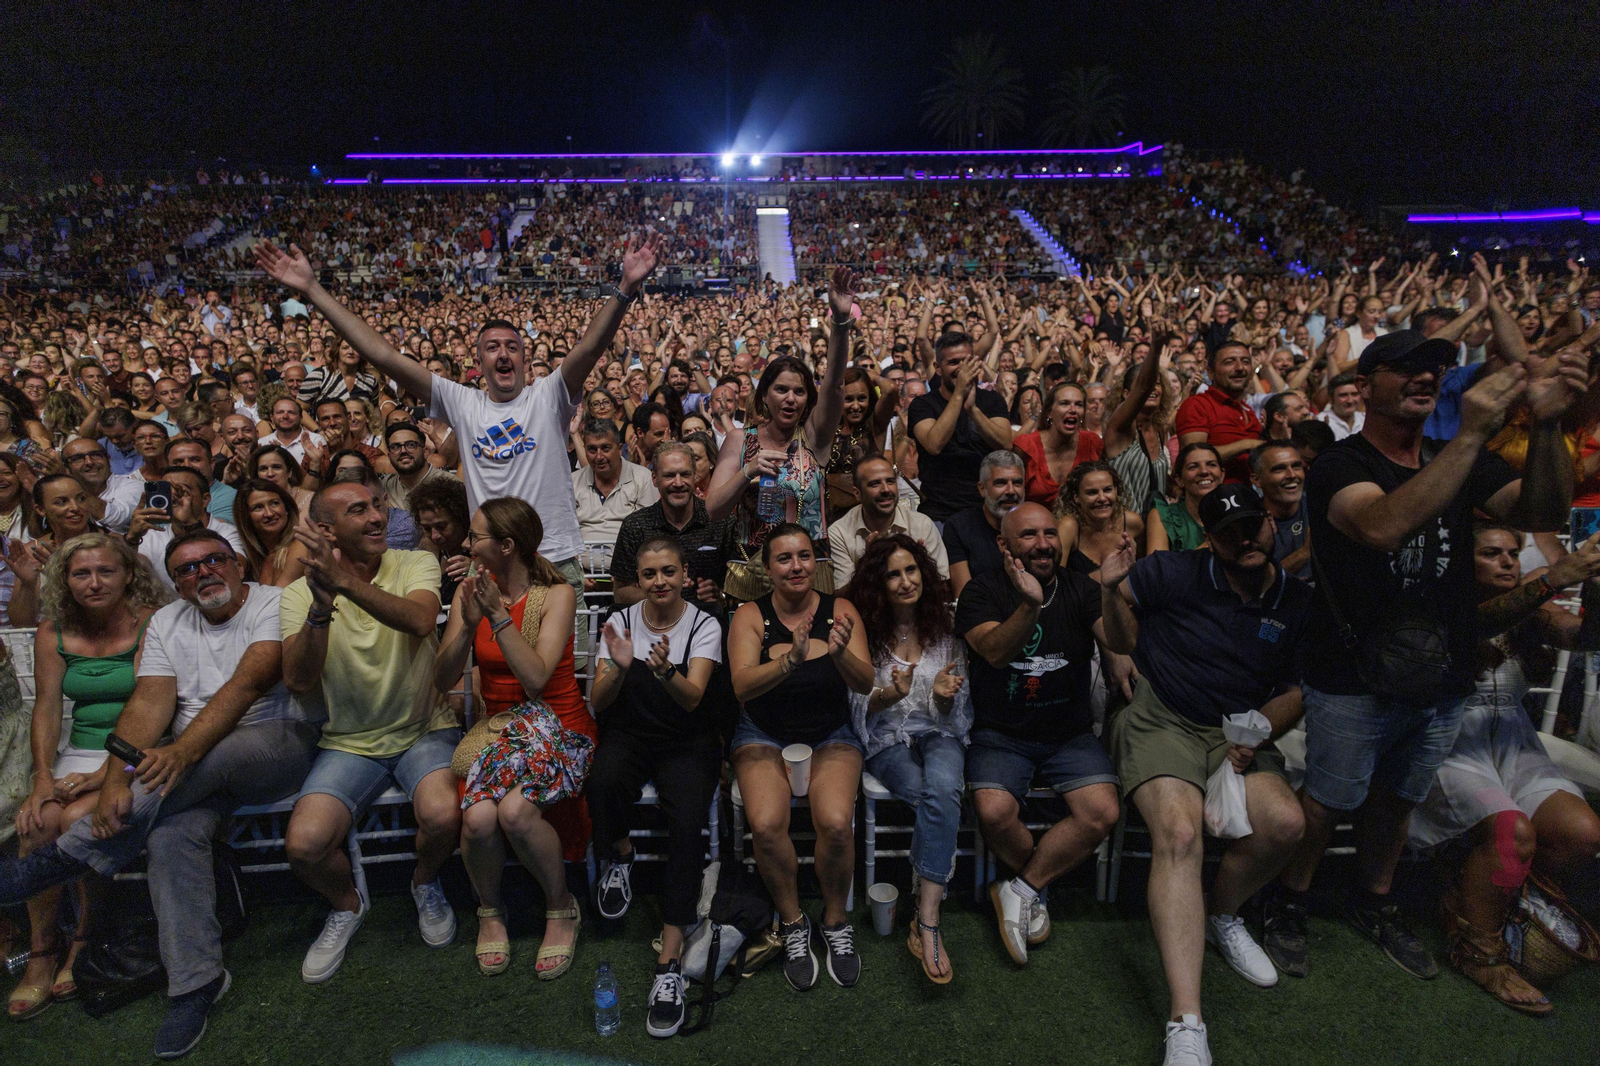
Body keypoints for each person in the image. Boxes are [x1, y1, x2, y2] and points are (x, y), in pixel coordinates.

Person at [1269, 330, 1586, 983]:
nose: (1426, 376)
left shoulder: (1455, 454)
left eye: (1436, 367)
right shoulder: (1340, 464)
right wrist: (1471, 434)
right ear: (1367, 384)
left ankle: (1374, 900)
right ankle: (1289, 901)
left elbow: (1543, 509)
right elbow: (1382, 525)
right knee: (1328, 800)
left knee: (1398, 799)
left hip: (1444, 668)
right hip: (1352, 673)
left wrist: (1550, 425)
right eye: (1407, 366)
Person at [0, 529, 318, 1057]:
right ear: (175, 582)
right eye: (187, 569)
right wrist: (115, 780)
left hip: (273, 743)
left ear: (238, 563)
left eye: (213, 560)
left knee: (211, 755)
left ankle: (67, 855)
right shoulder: (169, 621)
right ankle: (196, 984)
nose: (203, 573)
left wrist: (179, 753)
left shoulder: (273, 603)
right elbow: (149, 703)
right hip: (186, 775)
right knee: (169, 835)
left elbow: (248, 684)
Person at [255, 234, 663, 645]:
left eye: (512, 347)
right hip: (487, 566)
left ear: (523, 358)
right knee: (487, 670)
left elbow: (589, 349)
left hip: (552, 559)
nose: (503, 354)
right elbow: (384, 356)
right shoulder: (463, 402)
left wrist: (625, 287)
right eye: (492, 347)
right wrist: (312, 289)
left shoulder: (548, 395)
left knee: (566, 672)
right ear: (479, 361)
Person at [1098, 485, 1312, 1066]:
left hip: (1236, 730)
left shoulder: (1296, 600)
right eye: (1229, 532)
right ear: (1210, 539)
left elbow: (1296, 689)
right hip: (1161, 715)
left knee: (1286, 824)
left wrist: (1257, 731)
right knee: (1180, 833)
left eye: (1254, 525)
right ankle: (1186, 1021)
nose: (1246, 539)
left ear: (1271, 524)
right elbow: (1115, 631)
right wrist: (1112, 597)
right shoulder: (1171, 571)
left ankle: (1222, 914)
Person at [1406, 524, 1600, 1014]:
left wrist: (1595, 588)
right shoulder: (1436, 601)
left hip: (1512, 739)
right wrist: (1552, 580)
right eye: (1491, 553)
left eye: (1513, 552)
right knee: (1513, 832)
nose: (1509, 561)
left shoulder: (1532, 603)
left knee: (1582, 833)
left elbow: (1582, 637)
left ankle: (1492, 903)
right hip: (1447, 740)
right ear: (1460, 559)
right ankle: (1480, 952)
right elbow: (1474, 626)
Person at [280, 481, 460, 984]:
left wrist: (340, 580)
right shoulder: (297, 594)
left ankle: (423, 881)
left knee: (444, 816)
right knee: (304, 846)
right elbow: (298, 679)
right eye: (358, 511)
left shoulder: (414, 562)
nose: (378, 517)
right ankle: (347, 904)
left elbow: (421, 620)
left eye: (377, 505)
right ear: (326, 530)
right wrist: (320, 608)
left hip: (424, 729)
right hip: (349, 741)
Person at [956, 502, 1126, 966]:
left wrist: (1112, 591)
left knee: (1102, 812)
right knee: (993, 812)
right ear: (1004, 544)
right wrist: (1029, 604)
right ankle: (1036, 888)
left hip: (1068, 734)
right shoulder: (981, 590)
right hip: (1000, 733)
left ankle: (1022, 888)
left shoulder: (1081, 588)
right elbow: (994, 652)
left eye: (1050, 533)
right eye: (1029, 535)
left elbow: (1122, 642)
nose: (1043, 544)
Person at [433, 497, 594, 981]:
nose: (467, 544)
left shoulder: (557, 594)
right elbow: (441, 678)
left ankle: (561, 907)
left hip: (558, 725)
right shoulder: (471, 593)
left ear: (506, 546)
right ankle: (491, 911)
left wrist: (497, 617)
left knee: (515, 812)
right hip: (500, 728)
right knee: (479, 818)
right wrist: (468, 624)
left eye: (475, 536)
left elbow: (537, 679)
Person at [8, 534, 164, 1020]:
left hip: (137, 749)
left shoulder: (152, 623)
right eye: (81, 573)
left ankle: (83, 938)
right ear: (66, 580)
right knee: (37, 821)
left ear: (128, 576)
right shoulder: (52, 630)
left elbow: (154, 707)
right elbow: (47, 707)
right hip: (78, 751)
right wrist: (41, 778)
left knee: (78, 819)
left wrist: (104, 774)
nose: (94, 583)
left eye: (105, 571)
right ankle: (42, 949)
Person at [727, 523, 873, 991]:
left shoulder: (841, 610)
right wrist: (791, 658)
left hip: (831, 733)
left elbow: (866, 682)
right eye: (785, 559)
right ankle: (792, 923)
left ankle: (834, 920)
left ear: (816, 562)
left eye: (805, 556)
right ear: (768, 569)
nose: (797, 567)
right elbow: (741, 686)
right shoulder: (750, 614)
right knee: (767, 825)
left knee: (836, 822)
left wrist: (840, 654)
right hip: (763, 733)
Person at [587, 537, 724, 1035]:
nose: (660, 581)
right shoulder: (620, 622)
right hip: (631, 732)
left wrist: (664, 670)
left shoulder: (705, 624)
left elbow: (693, 698)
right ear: (638, 580)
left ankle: (669, 964)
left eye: (669, 571)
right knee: (601, 783)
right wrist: (620, 668)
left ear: (685, 574)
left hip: (687, 739)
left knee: (686, 825)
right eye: (649, 574)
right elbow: (599, 701)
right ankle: (621, 855)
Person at [845, 534, 970, 984]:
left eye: (911, 570)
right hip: (887, 740)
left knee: (944, 786)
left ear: (924, 573)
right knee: (938, 798)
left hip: (938, 730)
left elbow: (957, 711)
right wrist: (890, 695)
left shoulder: (946, 625)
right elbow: (857, 703)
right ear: (878, 584)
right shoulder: (866, 630)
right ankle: (929, 909)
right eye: (893, 574)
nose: (905, 581)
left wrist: (942, 697)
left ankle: (926, 917)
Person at [709, 269, 858, 595]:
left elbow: (835, 385)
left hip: (810, 570)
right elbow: (714, 509)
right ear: (764, 396)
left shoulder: (814, 437)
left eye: (799, 391)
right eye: (781, 390)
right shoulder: (740, 439)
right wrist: (748, 471)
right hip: (751, 570)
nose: (791, 398)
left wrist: (840, 321)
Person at [609, 442, 736, 611]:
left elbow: (740, 589)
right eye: (669, 475)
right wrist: (665, 595)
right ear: (654, 478)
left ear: (694, 476)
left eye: (685, 474)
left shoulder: (720, 521)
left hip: (710, 618)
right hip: (653, 621)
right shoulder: (635, 525)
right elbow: (621, 593)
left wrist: (721, 596)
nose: (678, 483)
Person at [910, 332, 1016, 525]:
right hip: (939, 513)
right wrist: (959, 394)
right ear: (938, 368)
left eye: (966, 361)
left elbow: (1005, 444)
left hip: (986, 511)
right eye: (953, 362)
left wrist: (973, 410)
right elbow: (934, 444)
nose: (962, 368)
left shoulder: (992, 400)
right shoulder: (923, 405)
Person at [827, 454, 948, 589]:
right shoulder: (839, 533)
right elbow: (842, 595)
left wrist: (923, 564)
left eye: (890, 481)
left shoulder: (922, 525)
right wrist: (869, 562)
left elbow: (942, 586)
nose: (885, 489)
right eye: (875, 484)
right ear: (857, 493)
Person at [127, 466, 245, 596]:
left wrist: (190, 524)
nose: (173, 496)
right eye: (167, 490)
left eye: (182, 490)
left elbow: (236, 571)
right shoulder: (151, 537)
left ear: (205, 499)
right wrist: (132, 539)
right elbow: (132, 578)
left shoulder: (227, 532)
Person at [573, 419, 658, 575]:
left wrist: (627, 573)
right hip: (582, 574)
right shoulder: (572, 482)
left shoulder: (643, 478)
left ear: (619, 449)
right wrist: (577, 573)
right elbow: (564, 535)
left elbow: (649, 532)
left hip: (631, 573)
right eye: (592, 449)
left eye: (605, 448)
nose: (599, 457)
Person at [1175, 342, 1264, 485]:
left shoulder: (1248, 411)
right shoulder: (1197, 405)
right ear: (1211, 373)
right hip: (1212, 496)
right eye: (1229, 362)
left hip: (1249, 496)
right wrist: (1247, 444)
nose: (1240, 367)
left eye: (1246, 361)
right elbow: (1193, 458)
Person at [941, 450, 1026, 597]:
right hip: (982, 608)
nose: (1011, 491)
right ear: (982, 489)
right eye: (1001, 483)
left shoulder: (1037, 523)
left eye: (1017, 483)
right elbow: (964, 595)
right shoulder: (959, 527)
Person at [1102, 351, 1175, 516]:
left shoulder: (1158, 430)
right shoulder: (1119, 428)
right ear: (1127, 394)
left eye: (1157, 384)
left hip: (1158, 526)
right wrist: (1156, 346)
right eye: (1147, 384)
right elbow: (1143, 388)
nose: (1152, 388)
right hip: (1125, 527)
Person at [1011, 382, 1104, 509]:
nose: (1073, 410)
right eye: (1064, 403)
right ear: (1049, 412)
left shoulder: (1092, 443)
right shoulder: (1026, 446)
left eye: (1079, 404)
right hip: (1034, 519)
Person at [1054, 460, 1145, 581]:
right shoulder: (1068, 527)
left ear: (1116, 490)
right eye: (1092, 492)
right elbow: (1056, 581)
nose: (1102, 498)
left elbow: (1143, 573)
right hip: (1078, 593)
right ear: (1076, 497)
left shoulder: (1132, 523)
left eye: (1107, 490)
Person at [1146, 443, 1223, 554]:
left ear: (1222, 475)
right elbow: (1156, 564)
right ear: (1179, 480)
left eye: (1211, 464)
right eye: (1193, 467)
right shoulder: (1163, 515)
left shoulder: (1237, 512)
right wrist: (1215, 543)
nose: (1204, 471)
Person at [1250, 442, 1310, 580]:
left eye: (1296, 466)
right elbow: (1255, 581)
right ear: (1256, 480)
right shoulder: (1249, 523)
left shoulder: (1321, 509)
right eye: (1279, 469)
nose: (1292, 475)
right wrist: (1304, 553)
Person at [232, 477, 308, 586]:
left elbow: (281, 595)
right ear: (246, 517)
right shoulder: (253, 558)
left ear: (286, 507)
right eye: (258, 507)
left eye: (275, 503)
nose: (269, 513)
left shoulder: (300, 545)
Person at [410, 476, 472, 608]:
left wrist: (476, 572)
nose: (434, 536)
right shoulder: (425, 548)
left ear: (460, 518)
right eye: (427, 528)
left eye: (442, 526)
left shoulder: (479, 551)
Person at [378, 421, 456, 513]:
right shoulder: (383, 487)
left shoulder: (450, 484)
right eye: (395, 447)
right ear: (389, 456)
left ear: (425, 452)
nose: (403, 451)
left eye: (411, 445)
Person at [1316, 372, 1365, 441]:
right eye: (1343, 395)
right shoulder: (1320, 422)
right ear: (1331, 399)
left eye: (1354, 394)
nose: (1350, 401)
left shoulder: (1367, 419)